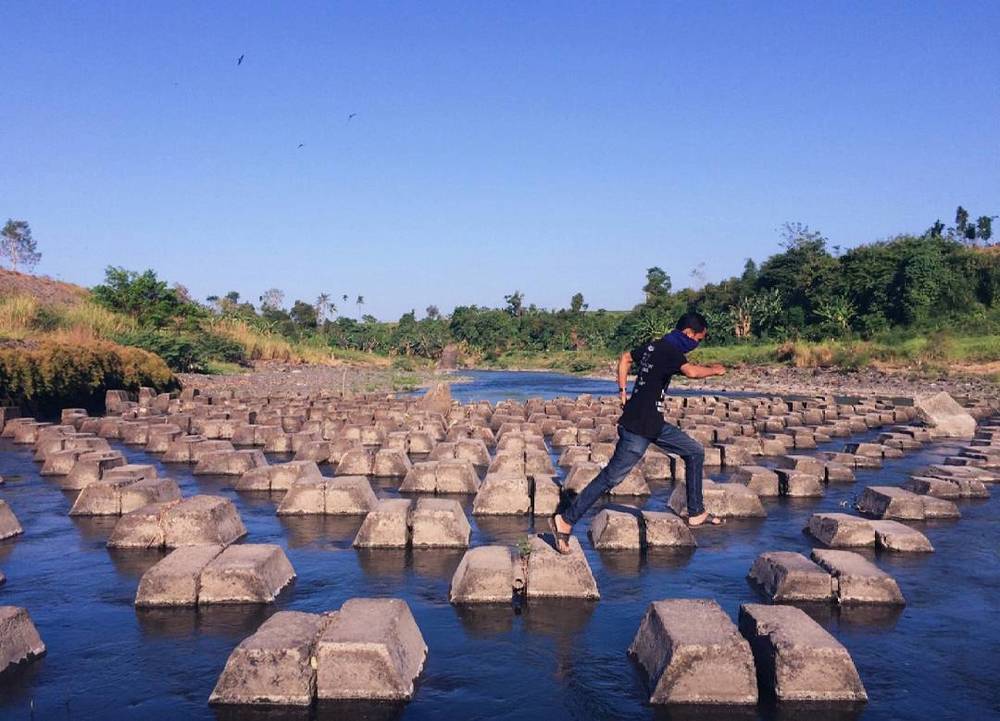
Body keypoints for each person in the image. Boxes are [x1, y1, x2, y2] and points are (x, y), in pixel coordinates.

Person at [549, 311, 726, 554]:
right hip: (639, 426)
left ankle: (696, 512)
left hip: (653, 422)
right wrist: (715, 370)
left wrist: (622, 392)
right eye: (699, 339)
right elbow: (692, 372)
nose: (697, 344)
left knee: (694, 451)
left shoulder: (654, 346)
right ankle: (565, 520)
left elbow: (625, 358)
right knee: (611, 477)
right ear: (688, 334)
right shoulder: (669, 351)